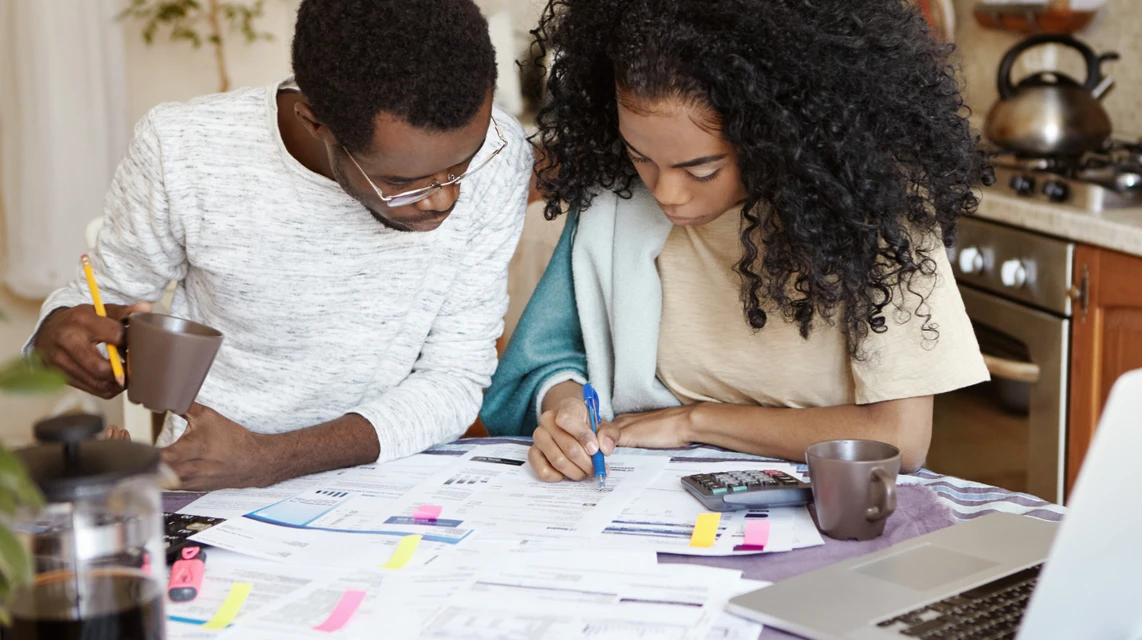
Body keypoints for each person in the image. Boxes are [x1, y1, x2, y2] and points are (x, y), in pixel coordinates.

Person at [28, 0, 534, 491]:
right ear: (315, 121)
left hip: (392, 483)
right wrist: (57, 332)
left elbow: (455, 379)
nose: (445, 198)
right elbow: (99, 298)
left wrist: (273, 459)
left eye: (464, 162)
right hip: (208, 480)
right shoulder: (184, 150)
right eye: (404, 181)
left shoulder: (502, 155)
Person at [481, 0, 992, 482]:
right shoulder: (615, 193)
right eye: (641, 156)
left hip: (827, 496)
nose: (665, 192)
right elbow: (547, 362)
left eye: (701, 169)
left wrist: (694, 422)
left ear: (777, 130)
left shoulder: (871, 204)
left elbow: (900, 437)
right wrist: (565, 410)